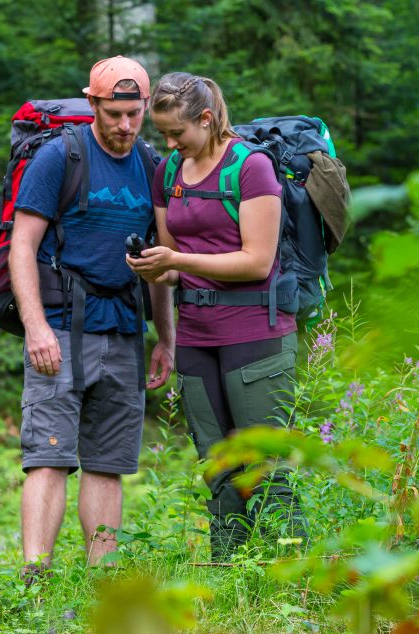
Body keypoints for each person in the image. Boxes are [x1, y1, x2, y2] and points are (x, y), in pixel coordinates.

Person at [129, 72, 306, 562]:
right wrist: (153, 267)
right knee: (217, 466)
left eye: (176, 133)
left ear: (206, 119)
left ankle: (293, 577)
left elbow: (256, 261)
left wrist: (176, 263)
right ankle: (229, 575)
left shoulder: (251, 169)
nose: (169, 143)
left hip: (256, 333)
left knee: (266, 464)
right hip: (196, 337)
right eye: (162, 134)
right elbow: (171, 258)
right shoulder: (170, 172)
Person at [9, 56, 175, 577]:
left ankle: (103, 582)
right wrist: (36, 326)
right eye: (115, 113)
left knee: (109, 464)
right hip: (61, 328)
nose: (125, 125)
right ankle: (34, 580)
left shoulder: (151, 164)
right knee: (49, 455)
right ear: (94, 104)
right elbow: (22, 247)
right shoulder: (61, 158)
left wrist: (164, 339)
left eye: (135, 113)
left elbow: (158, 262)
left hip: (125, 329)